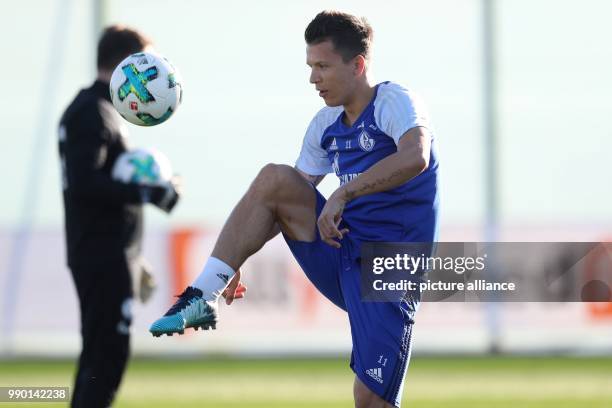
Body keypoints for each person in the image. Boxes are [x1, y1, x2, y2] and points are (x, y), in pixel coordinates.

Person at [150, 10, 439, 408]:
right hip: (341, 254)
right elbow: (280, 201)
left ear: (358, 65)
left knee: (371, 400)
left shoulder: (395, 102)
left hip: (389, 270)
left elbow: (415, 157)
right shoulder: (326, 124)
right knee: (276, 178)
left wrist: (343, 194)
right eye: (310, 66)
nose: (313, 78)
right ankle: (204, 292)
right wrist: (234, 258)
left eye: (322, 66)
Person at [58, 25, 181, 407]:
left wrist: (132, 251)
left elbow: (101, 181)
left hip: (110, 252)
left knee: (101, 352)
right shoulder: (90, 113)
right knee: (106, 354)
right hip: (100, 254)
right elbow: (84, 184)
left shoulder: (101, 109)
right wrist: (150, 192)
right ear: (130, 64)